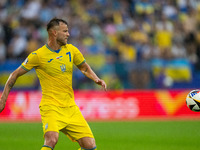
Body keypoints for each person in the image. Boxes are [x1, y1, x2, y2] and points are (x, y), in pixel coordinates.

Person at [0, 18, 107, 150]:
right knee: (51, 139)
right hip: (50, 107)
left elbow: (84, 67)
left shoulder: (71, 50)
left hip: (70, 107)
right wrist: (3, 99)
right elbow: (14, 75)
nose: (68, 34)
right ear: (54, 33)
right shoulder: (38, 55)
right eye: (65, 31)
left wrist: (96, 78)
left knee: (90, 146)